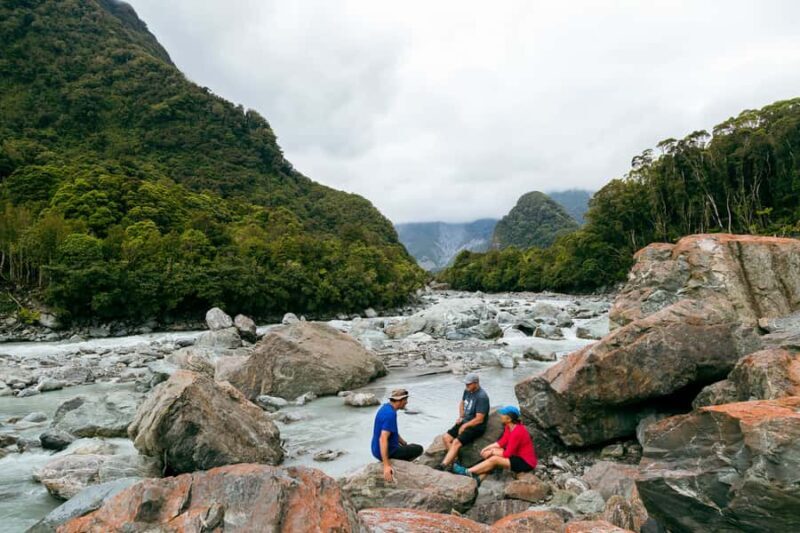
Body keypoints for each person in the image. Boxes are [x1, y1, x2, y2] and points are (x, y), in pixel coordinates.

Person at [452, 405, 537, 483]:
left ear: (509, 419)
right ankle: (479, 479)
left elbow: (507, 454)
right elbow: (502, 442)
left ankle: (468, 472)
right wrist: (487, 449)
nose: (500, 416)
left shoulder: (517, 432)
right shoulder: (509, 427)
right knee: (493, 454)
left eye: (503, 414)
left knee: (495, 459)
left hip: (526, 462)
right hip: (516, 455)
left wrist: (492, 452)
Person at [437, 373, 490, 471]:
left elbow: (480, 419)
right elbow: (462, 403)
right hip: (466, 421)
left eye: (469, 384)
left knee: (456, 442)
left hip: (476, 426)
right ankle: (455, 461)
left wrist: (465, 426)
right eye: (466, 384)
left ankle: (443, 466)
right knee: (446, 438)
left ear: (476, 383)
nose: (466, 386)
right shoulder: (467, 391)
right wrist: (461, 416)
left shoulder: (482, 397)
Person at [371, 388, 423, 481]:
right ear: (400, 401)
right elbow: (383, 439)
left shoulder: (385, 408)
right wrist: (386, 466)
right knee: (418, 449)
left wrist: (403, 442)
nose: (406, 402)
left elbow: (391, 430)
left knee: (408, 447)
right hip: (389, 452)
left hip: (375, 449)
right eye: (405, 400)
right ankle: (401, 465)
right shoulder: (390, 415)